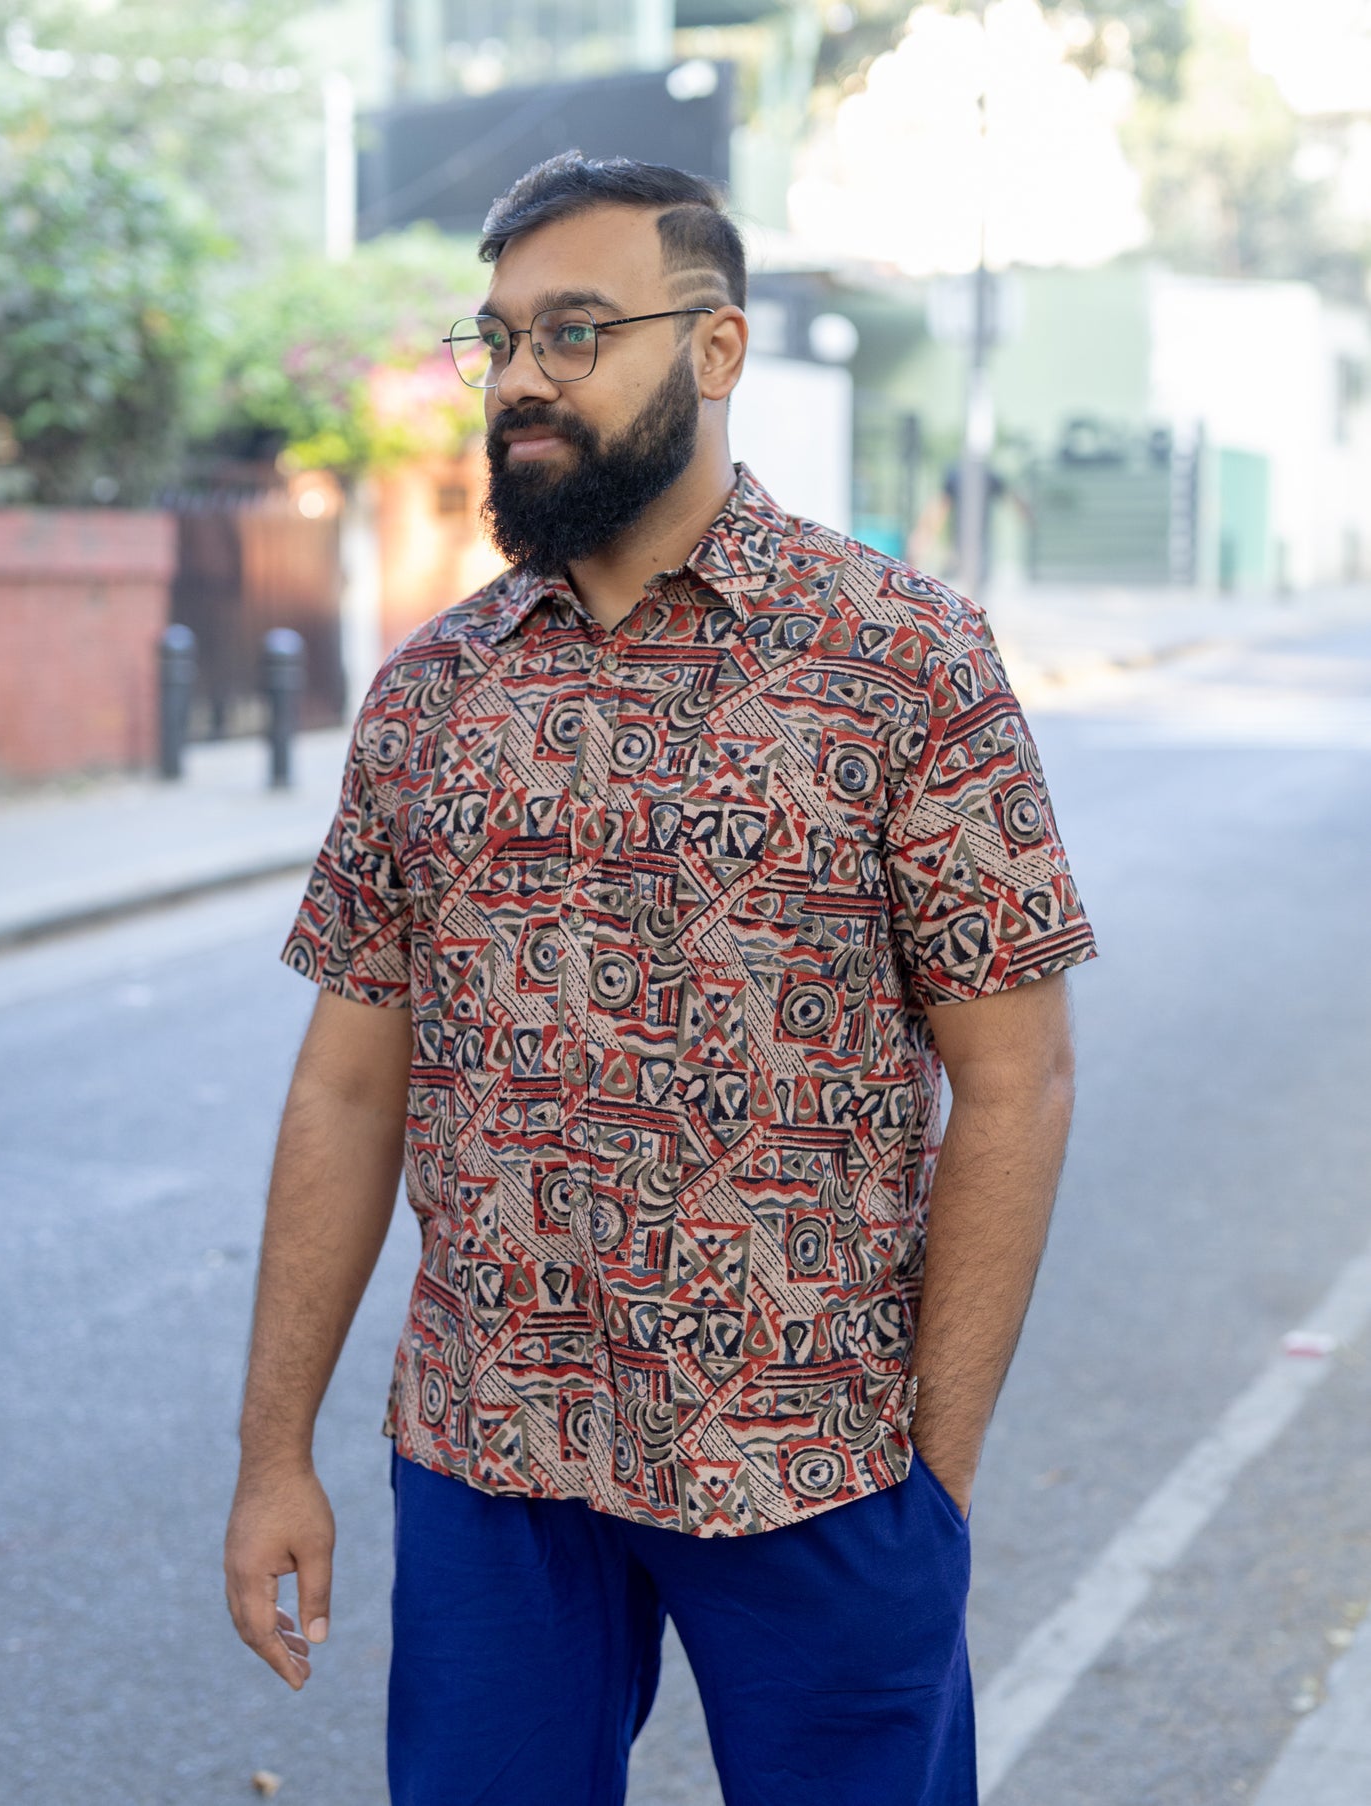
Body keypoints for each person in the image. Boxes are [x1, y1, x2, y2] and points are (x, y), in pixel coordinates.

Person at [224, 151, 1097, 1806]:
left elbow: (1014, 1074)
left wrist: (936, 1471)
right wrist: (275, 1451)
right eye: (498, 340)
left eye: (576, 330)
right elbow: (345, 1084)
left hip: (813, 1456)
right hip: (492, 1459)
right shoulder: (430, 695)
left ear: (715, 349)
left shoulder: (899, 657)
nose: (526, 378)